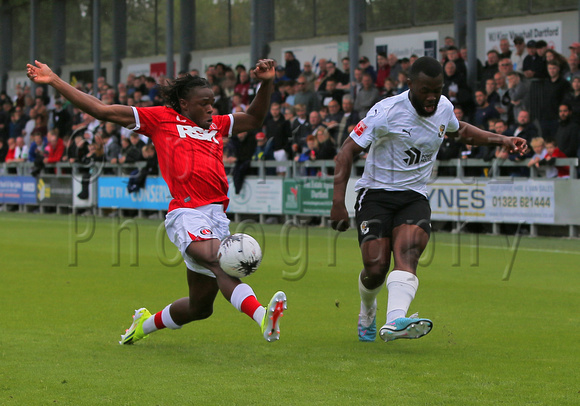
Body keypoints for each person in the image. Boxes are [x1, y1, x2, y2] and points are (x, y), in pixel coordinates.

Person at [27, 59, 287, 344]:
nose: (211, 108)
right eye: (204, 103)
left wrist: (267, 82)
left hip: (216, 216)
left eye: (212, 102)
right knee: (218, 261)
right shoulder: (160, 119)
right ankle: (263, 316)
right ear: (184, 104)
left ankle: (143, 325)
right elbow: (100, 110)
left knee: (200, 308)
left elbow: (254, 119)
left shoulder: (216, 125)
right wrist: (54, 80)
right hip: (186, 213)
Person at [329, 56, 526, 343]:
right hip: (376, 196)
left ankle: (395, 320)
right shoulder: (386, 111)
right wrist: (338, 202)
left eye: (438, 89)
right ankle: (367, 309)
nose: (432, 97)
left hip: (414, 197)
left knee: (408, 253)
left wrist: (503, 139)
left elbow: (463, 132)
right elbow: (346, 151)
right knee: (376, 267)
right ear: (409, 85)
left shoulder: (443, 107)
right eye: (425, 90)